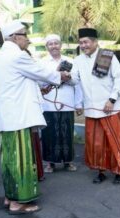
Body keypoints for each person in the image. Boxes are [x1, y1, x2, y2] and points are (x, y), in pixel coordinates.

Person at [0, 20, 70, 214]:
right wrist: (61, 75)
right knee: (21, 160)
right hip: (19, 118)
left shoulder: (2, 55)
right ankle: (19, 202)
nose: (28, 39)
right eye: (25, 34)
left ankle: (10, 197)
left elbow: (27, 80)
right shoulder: (17, 56)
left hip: (9, 118)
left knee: (9, 160)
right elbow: (43, 73)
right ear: (14, 37)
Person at [70, 28, 120, 184]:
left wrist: (111, 100)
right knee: (96, 143)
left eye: (86, 42)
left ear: (95, 42)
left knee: (115, 141)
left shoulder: (107, 56)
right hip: (92, 109)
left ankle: (119, 172)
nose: (83, 45)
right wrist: (64, 77)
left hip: (110, 108)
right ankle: (101, 171)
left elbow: (118, 79)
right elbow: (74, 80)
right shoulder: (78, 60)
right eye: (81, 42)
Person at [39, 34, 83, 173]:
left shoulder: (70, 61)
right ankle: (50, 163)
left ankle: (68, 162)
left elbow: (77, 82)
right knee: (49, 134)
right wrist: (57, 75)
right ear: (47, 47)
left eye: (56, 43)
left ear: (61, 45)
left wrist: (67, 77)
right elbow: (40, 82)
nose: (54, 46)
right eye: (50, 44)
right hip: (49, 103)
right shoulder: (42, 63)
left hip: (66, 102)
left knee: (66, 133)